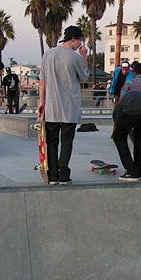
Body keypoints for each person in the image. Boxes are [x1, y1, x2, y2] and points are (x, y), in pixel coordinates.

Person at [38, 25, 89, 185]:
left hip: (51, 107)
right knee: (67, 141)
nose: (80, 44)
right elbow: (84, 77)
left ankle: (52, 175)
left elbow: (42, 82)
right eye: (79, 40)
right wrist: (84, 56)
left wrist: (41, 102)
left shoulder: (48, 54)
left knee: (52, 142)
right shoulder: (75, 57)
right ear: (73, 39)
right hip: (70, 107)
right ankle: (63, 174)